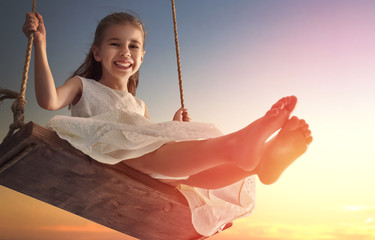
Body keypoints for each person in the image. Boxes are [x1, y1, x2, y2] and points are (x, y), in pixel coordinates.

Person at [23, 11, 312, 236]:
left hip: (144, 162)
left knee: (189, 175)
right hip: (105, 152)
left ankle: (260, 163)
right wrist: (41, 44)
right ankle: (237, 147)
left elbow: (148, 138)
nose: (125, 52)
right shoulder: (82, 86)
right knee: (151, 153)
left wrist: (172, 127)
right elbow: (48, 100)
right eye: (115, 44)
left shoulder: (139, 105)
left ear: (142, 56)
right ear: (97, 53)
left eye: (133, 46)